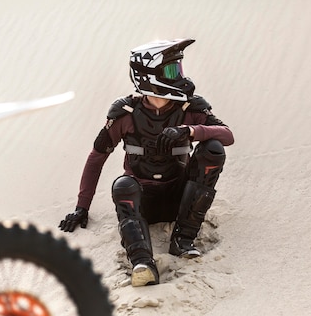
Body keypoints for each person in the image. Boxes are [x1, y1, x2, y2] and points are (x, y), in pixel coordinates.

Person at [59, 38, 234, 287]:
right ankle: (142, 262)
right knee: (122, 185)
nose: (180, 76)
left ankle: (183, 240)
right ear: (148, 75)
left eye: (179, 69)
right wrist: (81, 207)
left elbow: (227, 135)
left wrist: (190, 131)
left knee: (213, 148)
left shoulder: (190, 108)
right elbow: (97, 156)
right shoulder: (125, 113)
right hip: (142, 205)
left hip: (181, 198)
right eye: (172, 70)